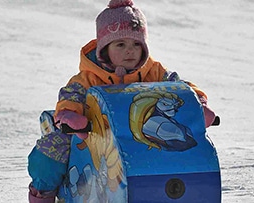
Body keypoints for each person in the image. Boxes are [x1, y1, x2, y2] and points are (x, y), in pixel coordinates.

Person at [27, 0, 217, 202]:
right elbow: (70, 96)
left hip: (137, 140)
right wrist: (71, 116)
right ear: (104, 48)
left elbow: (178, 86)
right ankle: (44, 193)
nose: (130, 51)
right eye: (121, 44)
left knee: (179, 144)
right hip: (90, 138)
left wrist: (197, 104)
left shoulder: (154, 72)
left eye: (136, 44)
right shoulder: (88, 78)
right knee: (51, 150)